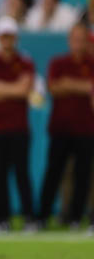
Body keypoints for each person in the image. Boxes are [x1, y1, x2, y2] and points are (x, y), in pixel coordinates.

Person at [0, 16, 35, 230]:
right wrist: (12, 88)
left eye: (10, 36)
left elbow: (25, 90)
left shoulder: (25, 62)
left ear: (16, 38)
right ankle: (2, 218)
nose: (6, 40)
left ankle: (29, 217)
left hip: (19, 128)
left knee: (21, 174)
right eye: (3, 36)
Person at [38, 24, 94, 229]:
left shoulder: (91, 63)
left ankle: (76, 217)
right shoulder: (58, 63)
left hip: (86, 129)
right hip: (61, 128)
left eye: (82, 39)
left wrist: (69, 84)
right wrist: (84, 87)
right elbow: (53, 87)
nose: (78, 43)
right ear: (69, 40)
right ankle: (42, 216)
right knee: (54, 173)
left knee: (83, 176)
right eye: (75, 39)